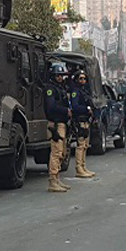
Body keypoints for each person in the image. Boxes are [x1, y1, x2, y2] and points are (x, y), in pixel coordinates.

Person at [44, 63, 73, 192]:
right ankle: (52, 181)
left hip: (62, 123)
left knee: (61, 153)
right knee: (56, 153)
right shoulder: (50, 89)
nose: (61, 78)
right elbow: (51, 107)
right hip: (55, 124)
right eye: (58, 75)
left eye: (62, 75)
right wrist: (65, 110)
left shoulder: (59, 88)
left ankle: (57, 179)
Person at [69, 71, 96, 178]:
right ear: (76, 79)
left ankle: (83, 167)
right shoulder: (75, 91)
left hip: (86, 120)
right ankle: (79, 168)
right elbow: (75, 107)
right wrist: (86, 109)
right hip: (79, 120)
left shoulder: (83, 91)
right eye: (80, 78)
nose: (83, 81)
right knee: (80, 145)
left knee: (85, 145)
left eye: (84, 79)